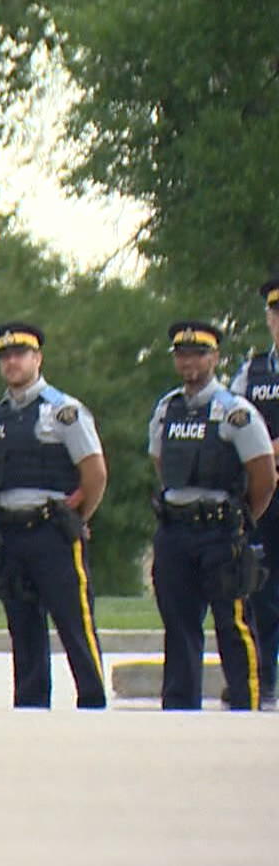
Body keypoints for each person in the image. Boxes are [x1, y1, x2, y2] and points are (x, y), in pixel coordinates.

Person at [0, 323, 108, 709]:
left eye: (20, 354)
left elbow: (95, 474)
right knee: (23, 627)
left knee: (74, 624)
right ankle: (31, 706)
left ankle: (93, 701)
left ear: (38, 358)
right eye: (5, 357)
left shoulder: (63, 411)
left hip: (51, 532)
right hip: (11, 534)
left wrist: (75, 517)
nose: (12, 362)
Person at [147, 320, 275, 710]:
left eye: (198, 354)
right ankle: (180, 706)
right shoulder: (167, 408)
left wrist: (238, 521)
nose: (189, 363)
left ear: (214, 357)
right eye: (182, 355)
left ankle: (245, 701)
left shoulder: (235, 413)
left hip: (219, 533)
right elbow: (160, 462)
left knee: (232, 623)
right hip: (175, 530)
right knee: (179, 623)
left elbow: (264, 476)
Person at [228, 277, 279, 706]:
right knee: (259, 587)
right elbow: (229, 424)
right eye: (277, 313)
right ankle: (263, 678)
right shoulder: (252, 372)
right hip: (266, 494)